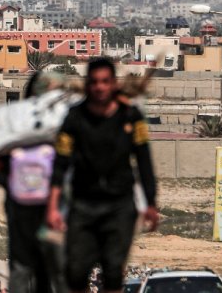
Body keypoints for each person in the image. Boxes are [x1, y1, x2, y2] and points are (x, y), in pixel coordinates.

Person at [46, 58, 159, 293]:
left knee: (113, 269)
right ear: (88, 85)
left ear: (114, 84)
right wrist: (53, 206)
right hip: (83, 204)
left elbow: (144, 160)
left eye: (105, 82)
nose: (100, 87)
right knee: (76, 271)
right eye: (95, 82)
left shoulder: (131, 116)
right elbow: (61, 162)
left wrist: (151, 202)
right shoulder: (74, 118)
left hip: (119, 205)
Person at [0, 71, 64, 293]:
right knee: (53, 268)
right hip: (52, 208)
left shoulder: (14, 123)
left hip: (23, 206)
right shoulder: (64, 123)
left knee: (24, 267)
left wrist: (13, 186)